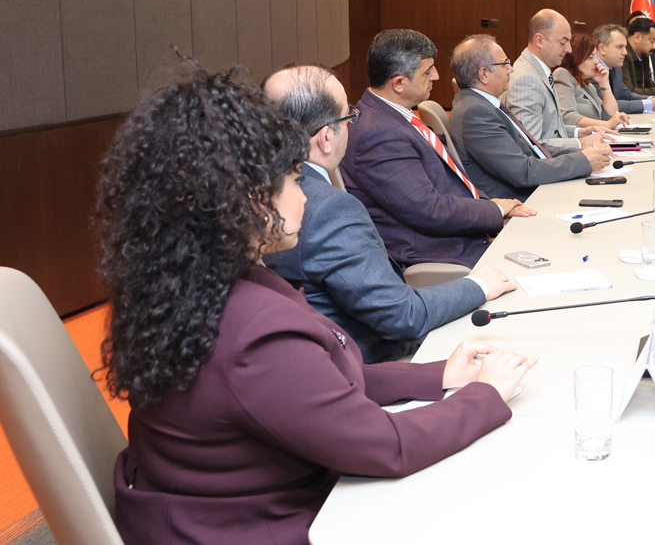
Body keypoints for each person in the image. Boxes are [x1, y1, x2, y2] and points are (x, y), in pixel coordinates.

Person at [99, 66, 535, 545]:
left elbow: (317, 381)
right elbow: (386, 447)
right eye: (293, 179)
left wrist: (439, 376)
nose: (305, 196)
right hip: (257, 527)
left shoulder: (197, 282)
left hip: (202, 507)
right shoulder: (256, 330)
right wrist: (485, 395)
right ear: (250, 201)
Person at [262, 65, 517, 363]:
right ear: (325, 138)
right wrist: (479, 285)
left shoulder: (258, 186)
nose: (353, 125)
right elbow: (402, 317)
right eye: (348, 117)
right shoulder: (327, 208)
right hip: (371, 361)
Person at [341, 30, 534, 269]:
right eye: (427, 72)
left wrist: (492, 206)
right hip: (443, 254)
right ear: (399, 83)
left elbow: (442, 186)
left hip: (459, 237)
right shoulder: (379, 134)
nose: (437, 76)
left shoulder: (392, 115)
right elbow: (428, 210)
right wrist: (494, 210)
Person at [449, 34, 612, 201]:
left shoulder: (479, 104)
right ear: (484, 74)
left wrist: (581, 151)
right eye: (505, 64)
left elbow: (532, 147)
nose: (511, 69)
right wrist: (583, 161)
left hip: (533, 189)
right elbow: (522, 172)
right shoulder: (476, 113)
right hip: (521, 200)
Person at [503, 9, 609, 154]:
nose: (569, 49)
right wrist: (581, 143)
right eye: (563, 42)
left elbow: (549, 129)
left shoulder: (538, 70)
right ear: (539, 40)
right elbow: (531, 145)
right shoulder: (527, 80)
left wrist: (579, 132)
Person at [553, 33, 630, 130]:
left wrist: (604, 83)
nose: (596, 62)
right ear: (575, 59)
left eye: (596, 56)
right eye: (590, 58)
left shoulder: (587, 84)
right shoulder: (562, 74)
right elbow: (567, 117)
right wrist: (606, 124)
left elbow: (611, 114)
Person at [596, 23, 655, 115]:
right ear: (602, 49)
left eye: (625, 47)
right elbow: (605, 105)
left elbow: (625, 94)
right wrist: (650, 104)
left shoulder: (615, 67)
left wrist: (653, 99)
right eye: (620, 47)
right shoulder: (592, 71)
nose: (625, 52)